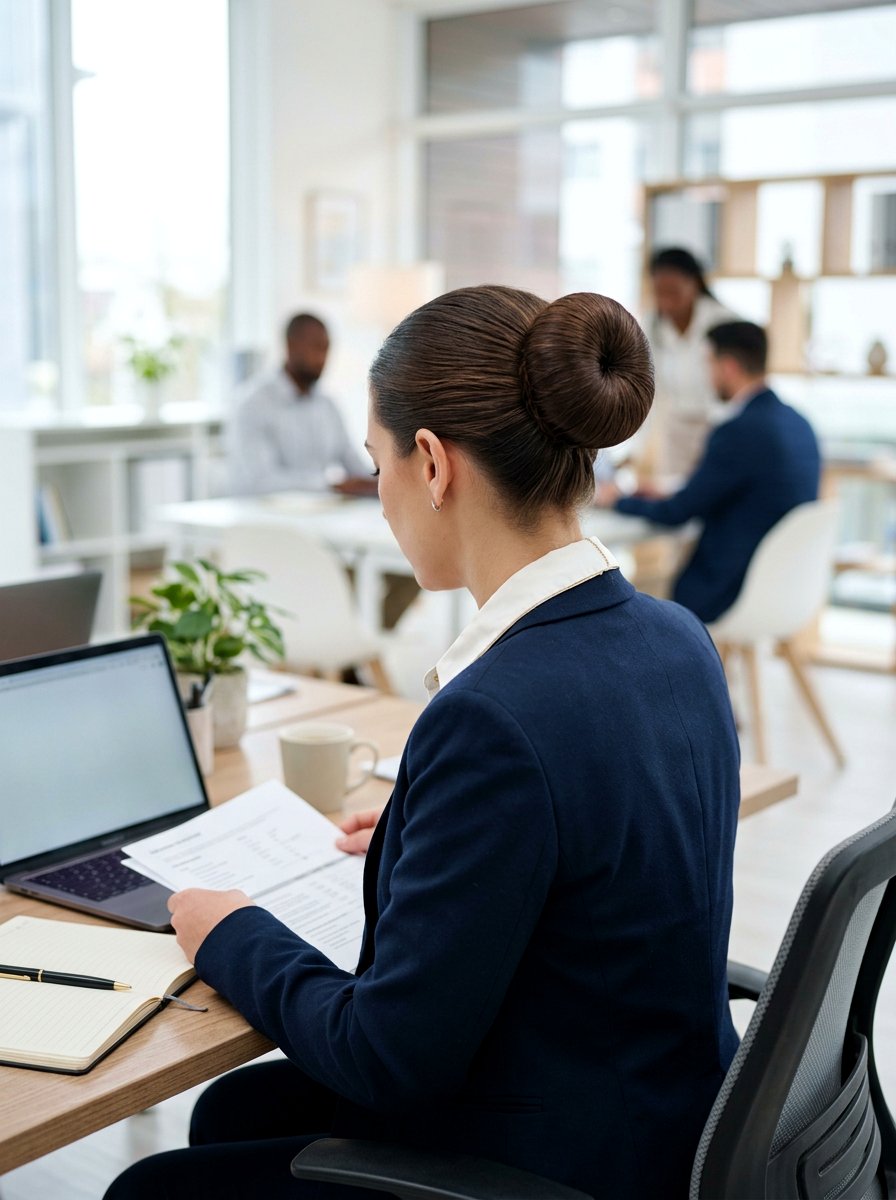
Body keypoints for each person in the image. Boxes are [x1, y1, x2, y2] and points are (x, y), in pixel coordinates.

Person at [106, 286, 741, 1200]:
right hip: (668, 1106)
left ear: (434, 463)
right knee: (237, 1114)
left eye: (377, 466)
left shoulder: (495, 715)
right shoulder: (678, 636)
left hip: (558, 1159)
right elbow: (596, 833)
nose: (379, 497)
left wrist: (229, 931)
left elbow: (385, 1058)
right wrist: (423, 835)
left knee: (150, 1191)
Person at [599, 320, 821, 625]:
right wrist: (672, 493)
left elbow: (678, 512)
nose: (707, 375)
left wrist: (615, 500)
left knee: (633, 597)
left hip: (726, 589)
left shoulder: (739, 431)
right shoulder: (799, 424)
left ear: (728, 367)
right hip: (785, 588)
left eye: (709, 363)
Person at [229, 313, 373, 495]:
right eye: (316, 348)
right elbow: (262, 481)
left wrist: (380, 482)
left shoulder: (327, 405)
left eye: (326, 349)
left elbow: (352, 462)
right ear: (290, 345)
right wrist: (332, 486)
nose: (322, 358)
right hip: (265, 516)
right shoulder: (253, 404)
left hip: (318, 514)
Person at [644, 247, 738, 482]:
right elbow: (651, 386)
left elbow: (734, 384)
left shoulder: (723, 322)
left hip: (715, 425)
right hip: (675, 429)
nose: (666, 301)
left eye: (674, 292)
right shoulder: (653, 325)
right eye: (659, 293)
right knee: (672, 496)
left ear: (694, 284)